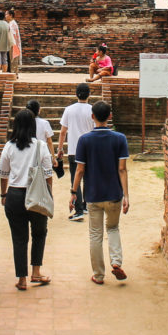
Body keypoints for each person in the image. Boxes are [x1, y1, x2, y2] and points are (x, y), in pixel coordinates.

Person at [70, 100, 130, 285]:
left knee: (95, 234)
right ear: (110, 116)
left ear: (92, 117)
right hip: (114, 194)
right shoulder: (120, 138)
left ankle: (98, 275)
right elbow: (122, 169)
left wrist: (73, 192)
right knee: (113, 228)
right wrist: (126, 195)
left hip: (93, 194)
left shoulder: (85, 140)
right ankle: (116, 261)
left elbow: (80, 170)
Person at [0, 109, 53, 290]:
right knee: (39, 233)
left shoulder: (9, 146)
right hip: (36, 194)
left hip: (14, 195)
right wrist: (49, 194)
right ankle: (36, 272)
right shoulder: (40, 146)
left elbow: (3, 173)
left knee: (19, 238)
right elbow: (48, 174)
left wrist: (3, 194)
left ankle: (22, 279)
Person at [58, 82, 93, 221]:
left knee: (75, 179)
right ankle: (85, 206)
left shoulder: (69, 110)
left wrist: (60, 149)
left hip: (74, 149)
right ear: (89, 94)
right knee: (88, 178)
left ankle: (78, 210)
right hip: (89, 150)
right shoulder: (92, 110)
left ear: (76, 94)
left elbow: (62, 132)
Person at [26, 99, 59, 176]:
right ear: (39, 110)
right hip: (42, 153)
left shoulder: (24, 123)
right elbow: (49, 141)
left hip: (27, 152)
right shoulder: (44, 123)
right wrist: (53, 157)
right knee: (44, 176)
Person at [6, 8, 22, 75]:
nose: (5, 16)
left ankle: (14, 74)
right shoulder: (11, 23)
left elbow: (12, 35)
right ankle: (14, 74)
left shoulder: (12, 24)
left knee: (13, 61)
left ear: (11, 15)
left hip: (13, 45)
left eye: (6, 14)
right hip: (13, 44)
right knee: (12, 61)